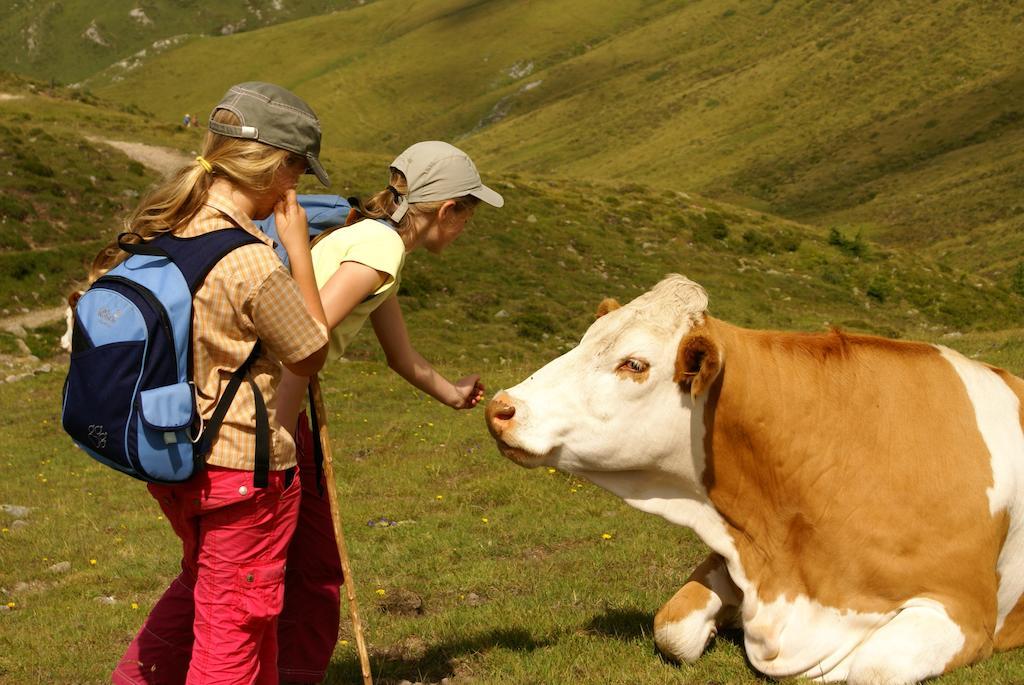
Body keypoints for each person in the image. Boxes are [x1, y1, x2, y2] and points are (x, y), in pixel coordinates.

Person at [102, 81, 332, 684]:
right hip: (242, 473)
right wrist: (299, 253)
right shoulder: (249, 258)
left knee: (203, 586)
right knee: (236, 625)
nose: (296, 188)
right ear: (276, 167)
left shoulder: (168, 229)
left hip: (174, 456)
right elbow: (310, 353)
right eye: (298, 172)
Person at [267, 141, 503, 684]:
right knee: (311, 566)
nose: (468, 226)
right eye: (468, 212)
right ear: (446, 210)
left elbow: (400, 356)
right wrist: (279, 437)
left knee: (305, 563)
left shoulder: (370, 240)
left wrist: (452, 392)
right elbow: (302, 339)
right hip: (272, 410)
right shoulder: (379, 248)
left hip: (277, 406)